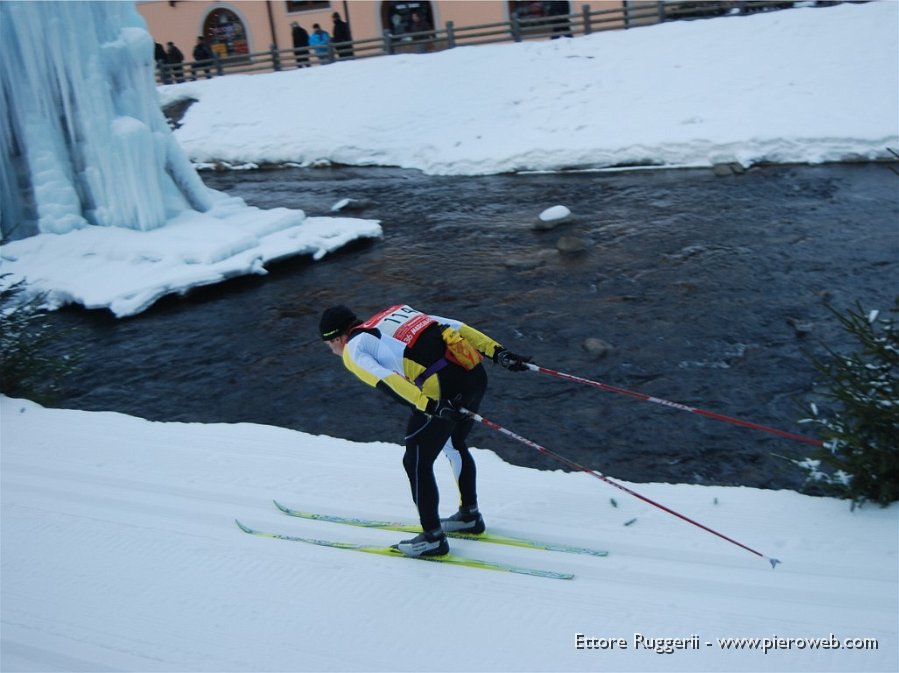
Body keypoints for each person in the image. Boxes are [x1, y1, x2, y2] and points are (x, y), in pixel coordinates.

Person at [319, 304, 531, 557]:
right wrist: (499, 353)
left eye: (329, 345)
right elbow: (456, 327)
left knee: (416, 461)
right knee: (454, 443)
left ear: (338, 338)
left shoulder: (353, 349)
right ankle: (469, 516)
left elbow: (387, 380)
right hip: (473, 374)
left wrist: (429, 406)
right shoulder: (395, 312)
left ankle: (432, 538)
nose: (332, 351)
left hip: (444, 389)